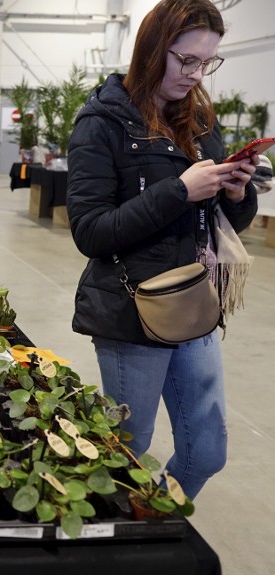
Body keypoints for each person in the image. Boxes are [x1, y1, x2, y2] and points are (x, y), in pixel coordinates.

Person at [66, 0, 258, 499]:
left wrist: (236, 192)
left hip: (194, 304)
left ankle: (152, 517)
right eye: (186, 60)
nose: (195, 75)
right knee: (130, 448)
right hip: (132, 310)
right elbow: (89, 231)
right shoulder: (102, 122)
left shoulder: (199, 121)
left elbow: (221, 221)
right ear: (153, 49)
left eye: (207, 63)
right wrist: (179, 190)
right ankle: (118, 538)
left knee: (206, 450)